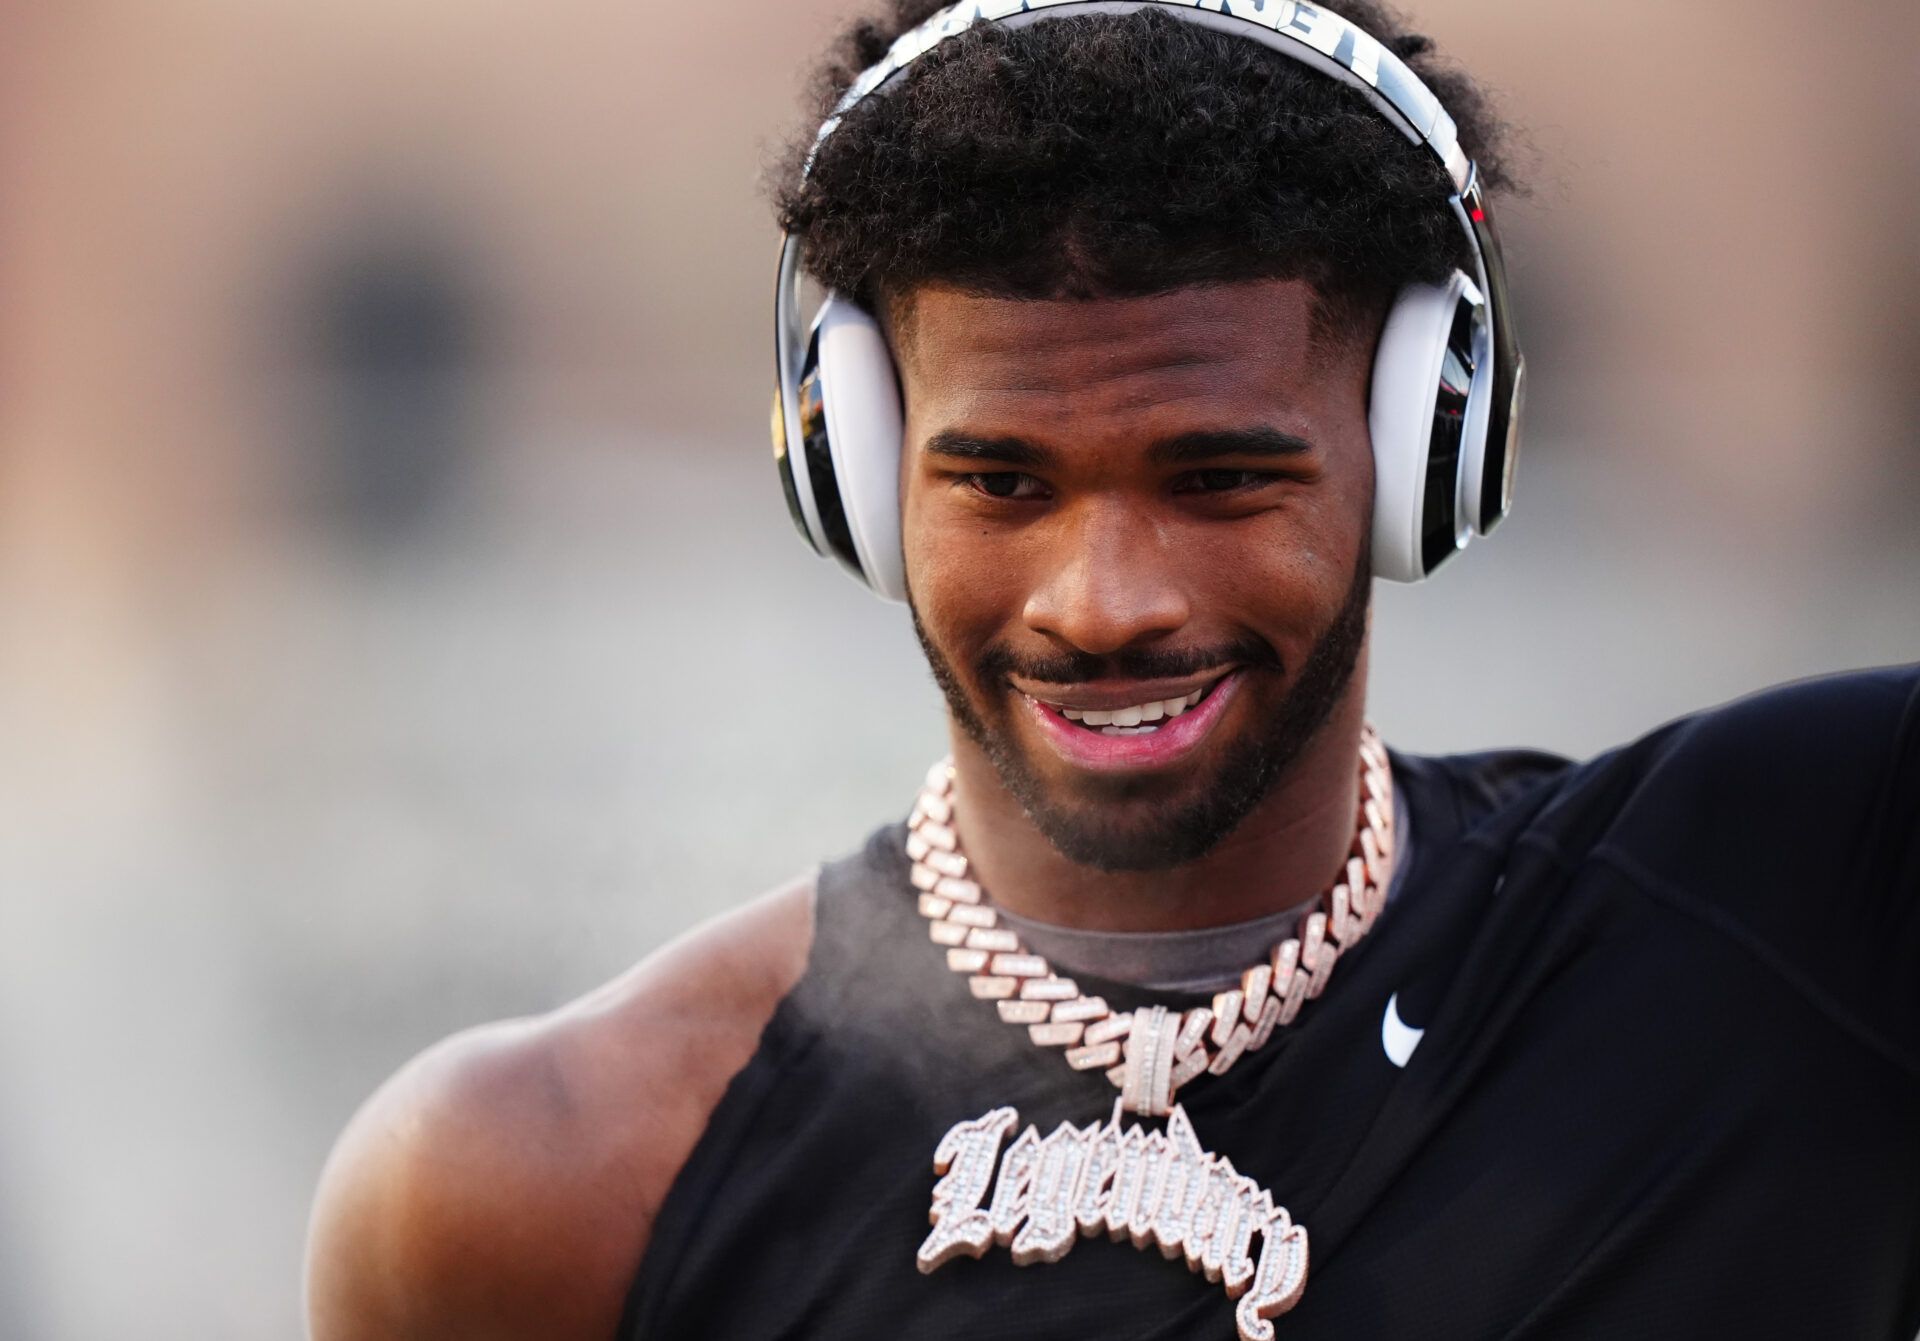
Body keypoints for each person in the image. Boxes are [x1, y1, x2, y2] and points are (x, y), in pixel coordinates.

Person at [304, 2, 1920, 1337]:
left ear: (1426, 444)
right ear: (854, 475)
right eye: (1001, 482)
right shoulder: (545, 1182)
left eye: (1221, 478)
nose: (1105, 600)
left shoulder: (1800, 911)